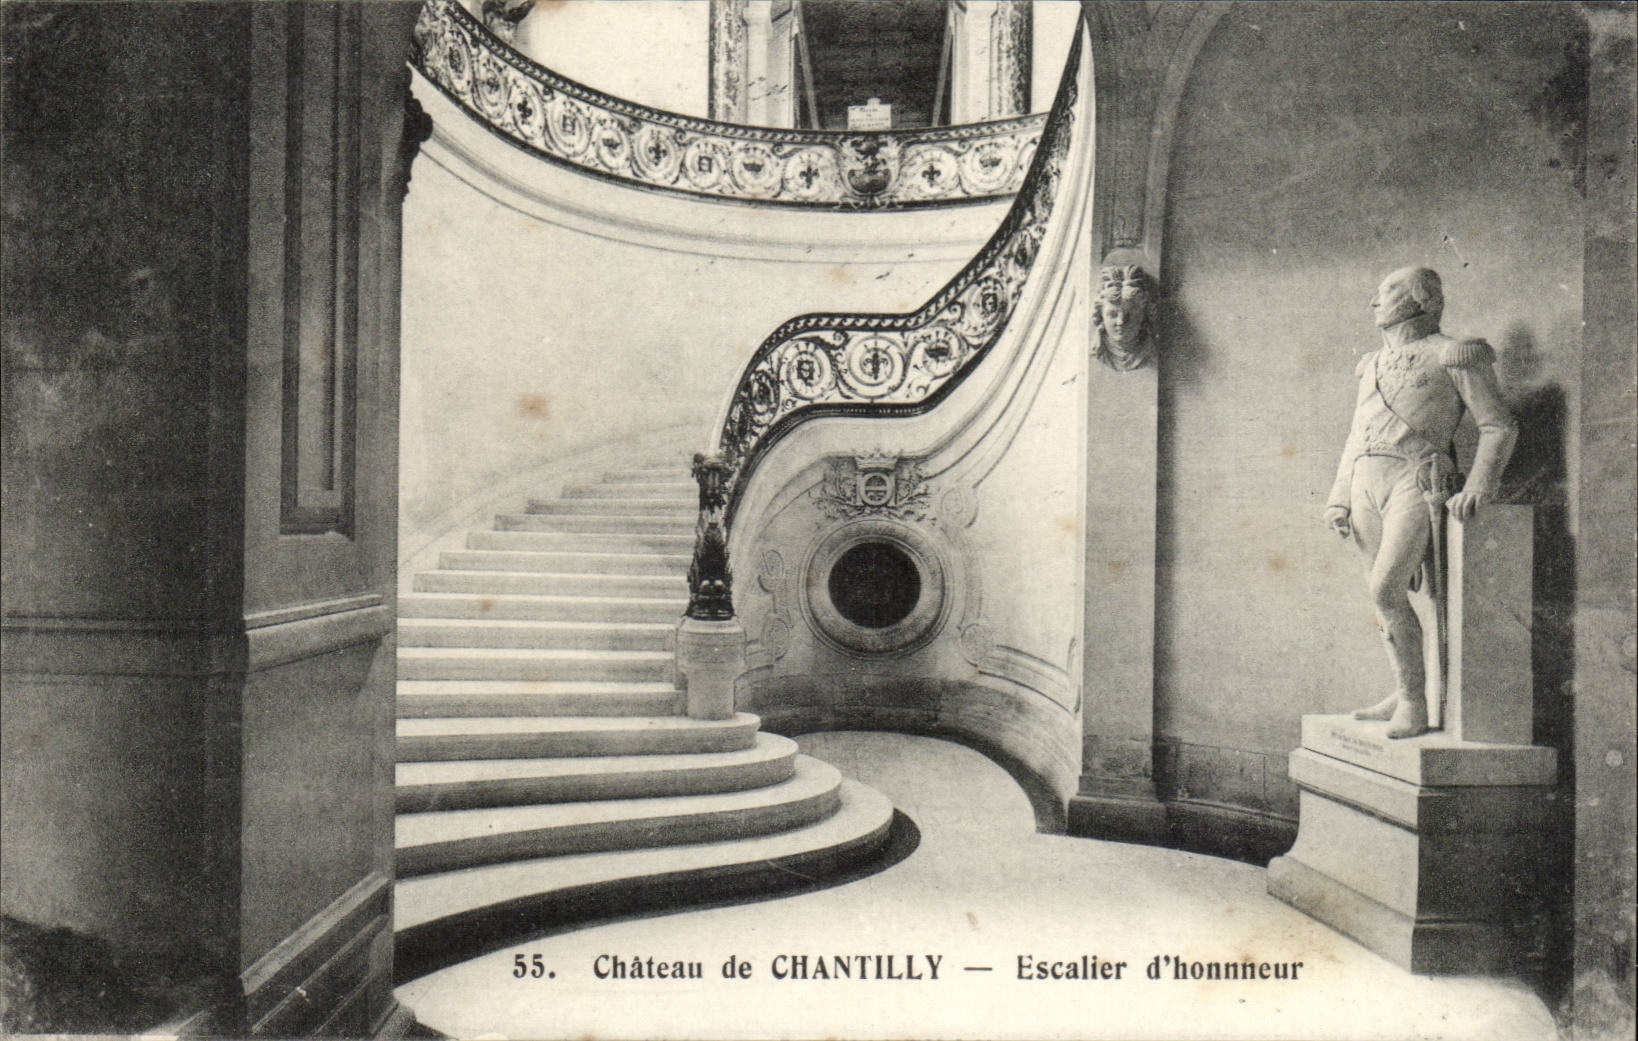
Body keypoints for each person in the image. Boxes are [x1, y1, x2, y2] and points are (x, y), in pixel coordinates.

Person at [1325, 266, 1517, 738]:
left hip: (1417, 479)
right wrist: (1339, 497)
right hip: (1364, 483)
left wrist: (1478, 486)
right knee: (1384, 598)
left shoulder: (1454, 354)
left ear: (1421, 299)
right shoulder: (1370, 364)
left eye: (1388, 290)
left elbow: (1498, 426)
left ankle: (1414, 701)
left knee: (1385, 590)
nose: (1375, 300)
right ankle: (1405, 687)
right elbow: (1356, 435)